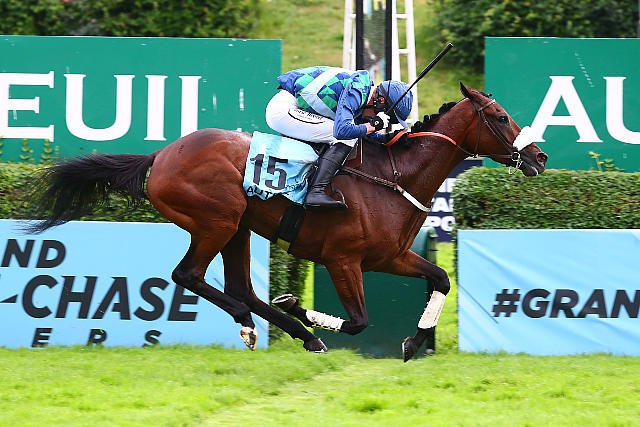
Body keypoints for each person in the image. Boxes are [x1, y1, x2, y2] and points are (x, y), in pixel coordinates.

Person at [265, 66, 413, 209]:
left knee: (352, 135)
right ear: (380, 101)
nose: (384, 121)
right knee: (346, 138)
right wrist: (372, 125)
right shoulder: (357, 90)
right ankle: (316, 191)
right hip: (283, 109)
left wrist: (385, 138)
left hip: (293, 106)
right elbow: (342, 131)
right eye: (388, 117)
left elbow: (361, 131)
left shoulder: (363, 93)